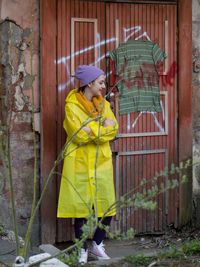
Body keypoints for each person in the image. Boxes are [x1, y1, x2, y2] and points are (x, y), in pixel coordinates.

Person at [57, 65, 119, 264]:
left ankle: (97, 245)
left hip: (100, 161)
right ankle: (82, 250)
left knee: (107, 204)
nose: (103, 86)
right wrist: (101, 128)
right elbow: (79, 134)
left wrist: (95, 130)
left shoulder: (104, 105)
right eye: (100, 82)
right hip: (80, 161)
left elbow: (114, 128)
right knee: (80, 208)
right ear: (89, 83)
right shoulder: (71, 106)